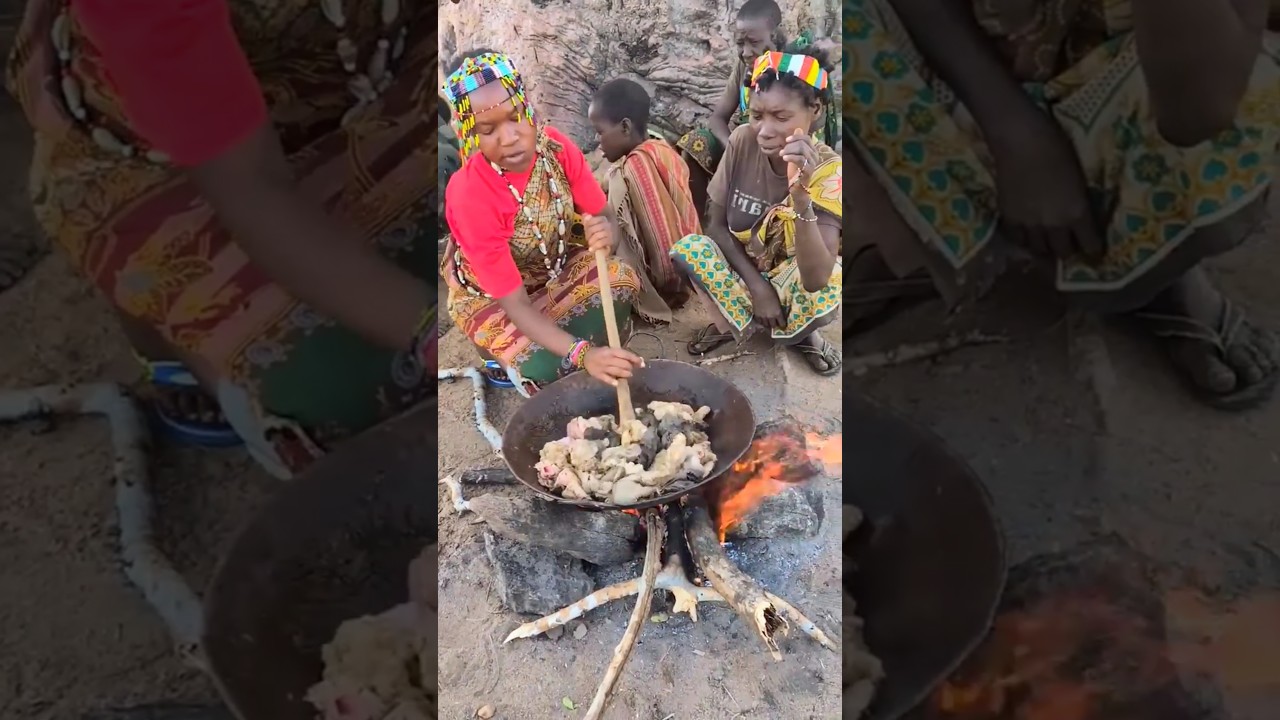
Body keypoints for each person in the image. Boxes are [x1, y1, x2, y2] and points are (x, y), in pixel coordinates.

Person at [5, 0, 439, 478]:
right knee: (346, 391)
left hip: (379, 62)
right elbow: (251, 189)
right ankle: (174, 352)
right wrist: (441, 332)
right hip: (179, 159)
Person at [844, 0, 1280, 410]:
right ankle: (917, 244)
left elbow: (1199, 113)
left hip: (1113, 70)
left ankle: (1163, 274)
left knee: (1245, 89)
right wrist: (1017, 132)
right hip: (963, 50)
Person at [441, 51, 645, 395]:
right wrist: (584, 355)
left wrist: (605, 236)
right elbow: (515, 302)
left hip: (554, 270)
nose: (508, 138)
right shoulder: (468, 194)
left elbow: (604, 217)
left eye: (516, 117)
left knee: (621, 278)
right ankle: (501, 357)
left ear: (527, 105)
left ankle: (562, 341)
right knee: (541, 367)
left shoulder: (556, 149)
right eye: (487, 130)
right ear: (470, 134)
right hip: (498, 298)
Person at [671, 45, 843, 375]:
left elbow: (815, 278)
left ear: (815, 110)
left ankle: (805, 337)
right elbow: (716, 226)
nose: (764, 130)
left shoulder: (828, 172)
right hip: (745, 270)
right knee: (690, 249)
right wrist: (758, 287)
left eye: (781, 117)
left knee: (831, 278)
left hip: (794, 283)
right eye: (756, 115)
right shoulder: (741, 141)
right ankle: (731, 325)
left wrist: (801, 196)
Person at [588, 78, 701, 323]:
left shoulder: (637, 166)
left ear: (625, 127)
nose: (598, 140)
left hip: (671, 283)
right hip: (691, 270)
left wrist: (665, 286)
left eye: (600, 132)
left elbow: (663, 238)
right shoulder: (659, 147)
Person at [675, 0, 787, 222]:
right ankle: (699, 225)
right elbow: (717, 118)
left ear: (775, 36)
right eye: (740, 43)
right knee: (696, 142)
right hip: (743, 144)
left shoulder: (795, 69)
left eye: (754, 42)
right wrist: (733, 147)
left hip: (779, 150)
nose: (746, 52)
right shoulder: (745, 67)